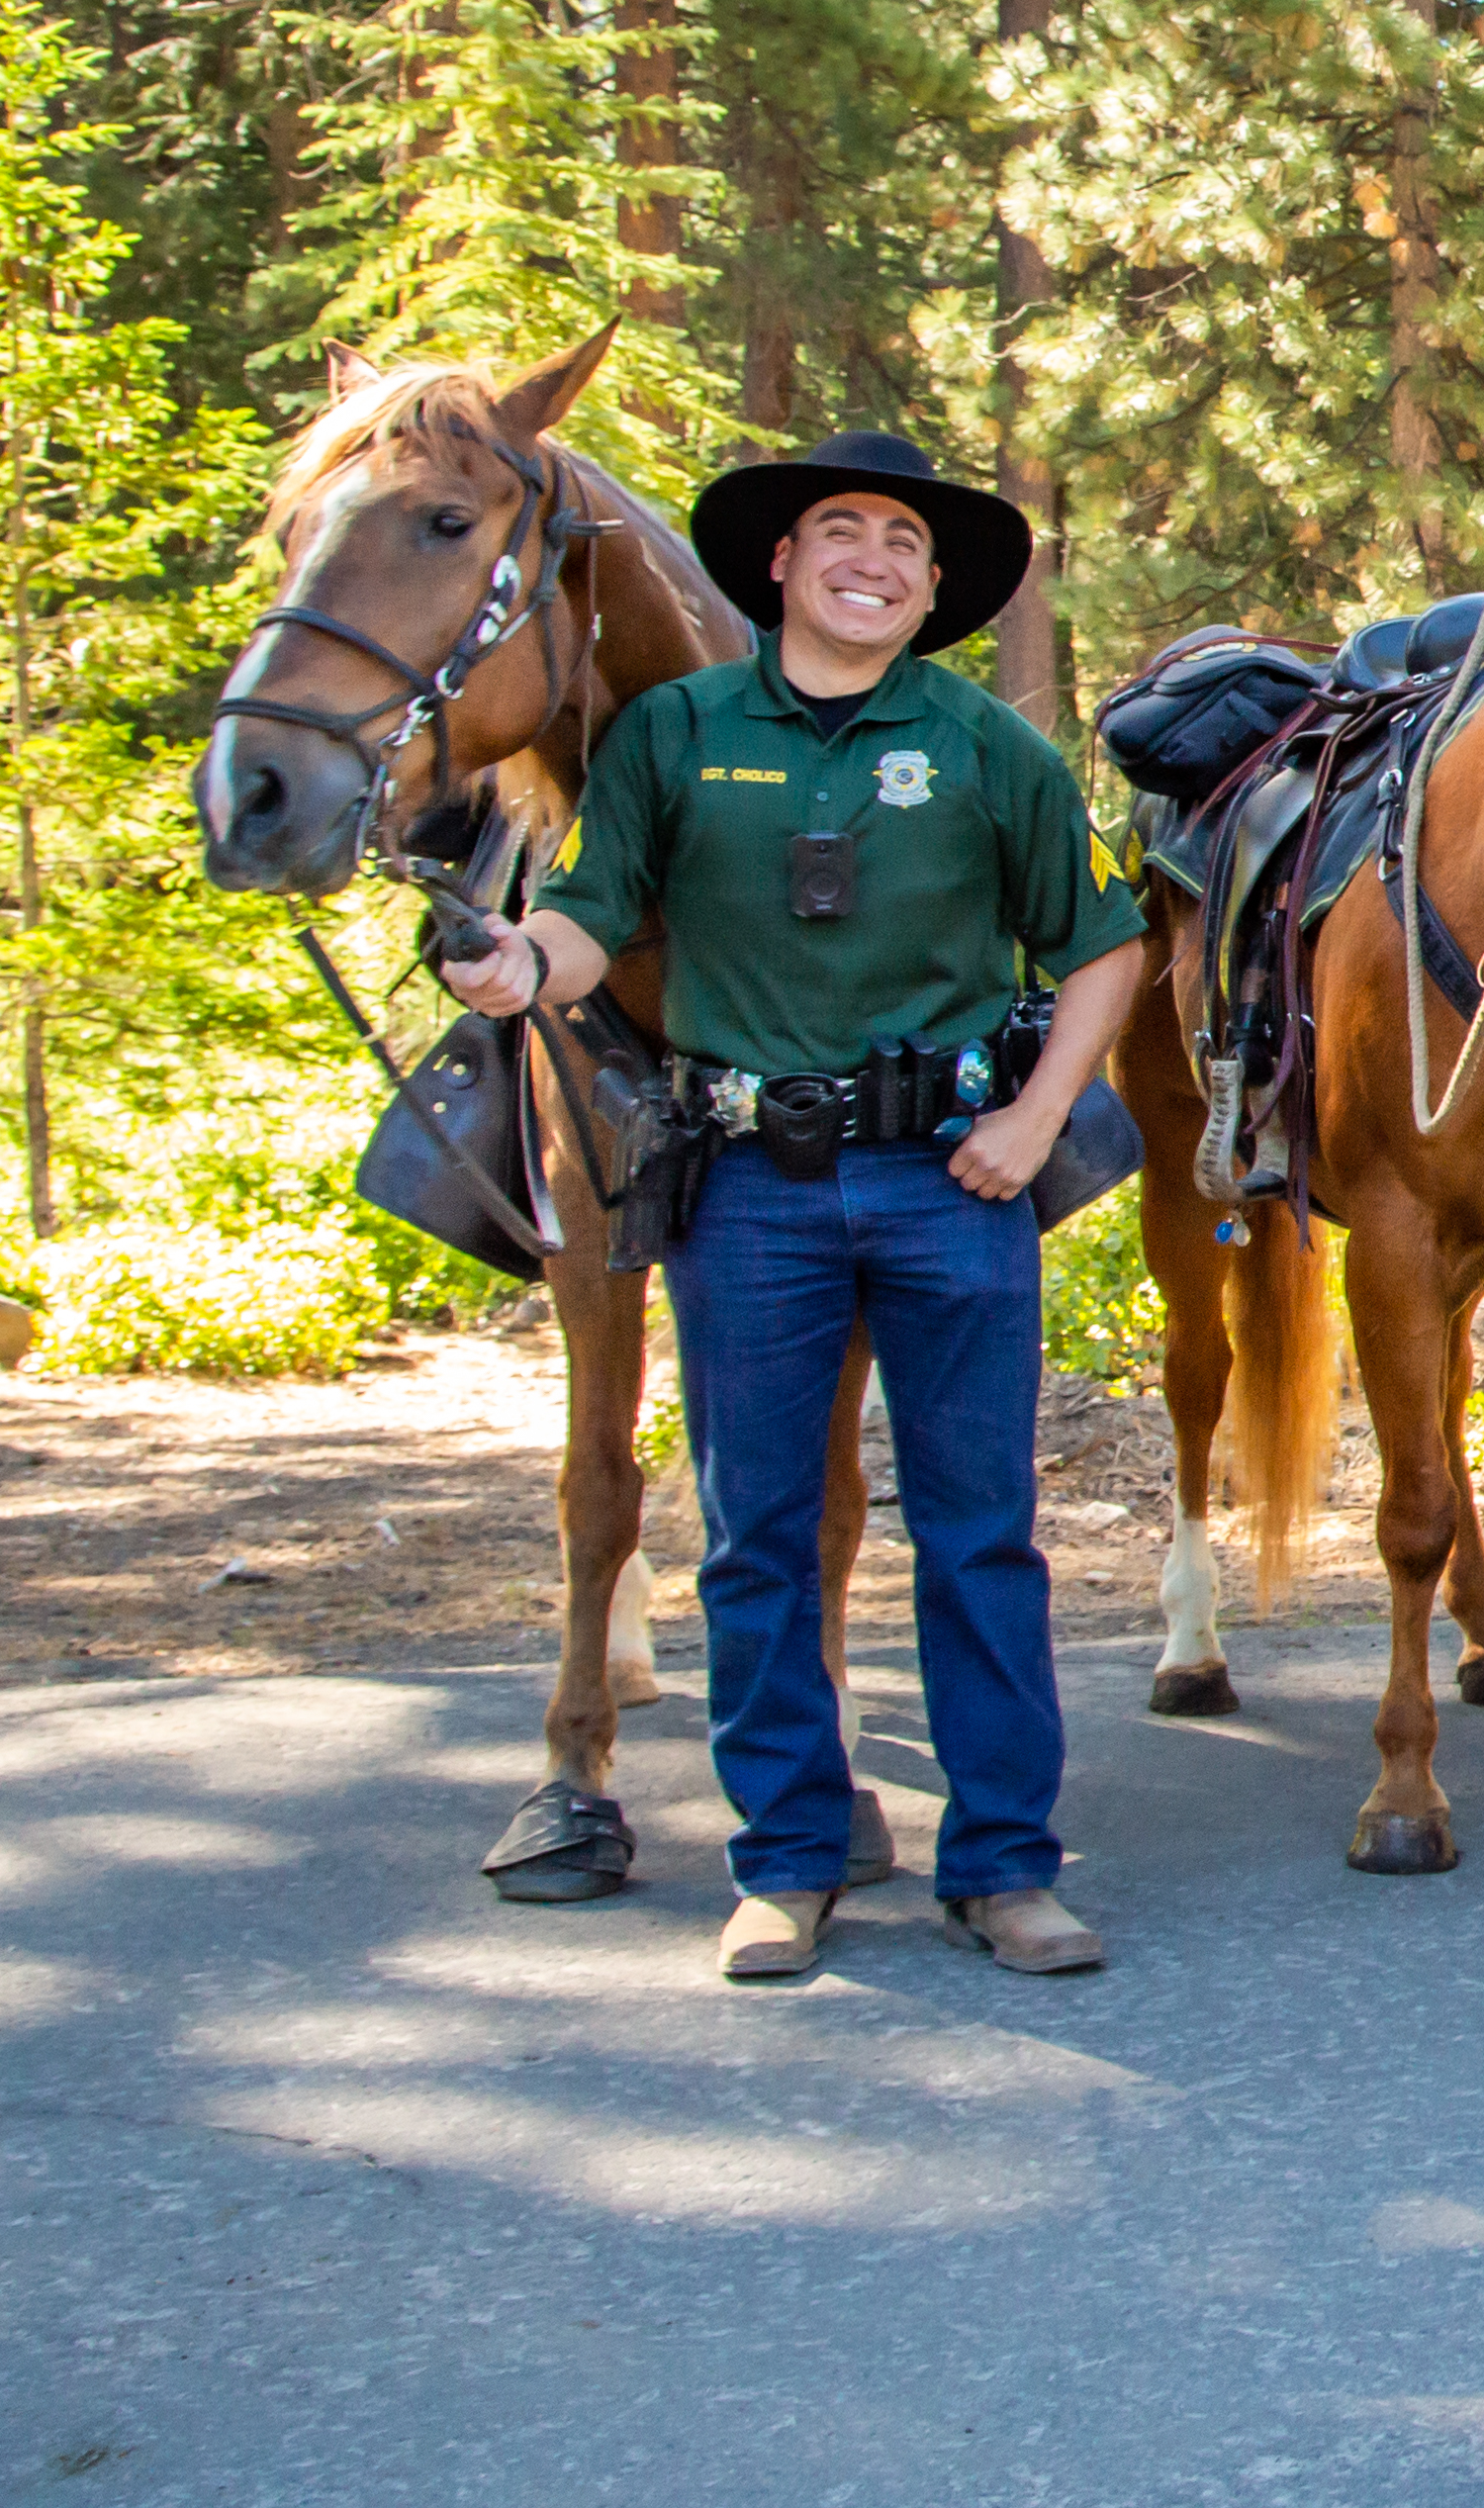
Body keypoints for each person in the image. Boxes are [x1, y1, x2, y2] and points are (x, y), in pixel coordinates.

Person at [439, 431, 1148, 1985]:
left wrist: (1036, 1120)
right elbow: (586, 917)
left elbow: (1105, 944)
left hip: (951, 1181)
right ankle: (787, 1863)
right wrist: (519, 966)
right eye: (843, 532)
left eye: (904, 543)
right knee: (756, 1541)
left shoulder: (986, 745)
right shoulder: (676, 735)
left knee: (983, 1537)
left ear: (932, 582)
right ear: (779, 561)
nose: (874, 563)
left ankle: (1007, 1867)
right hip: (745, 1187)